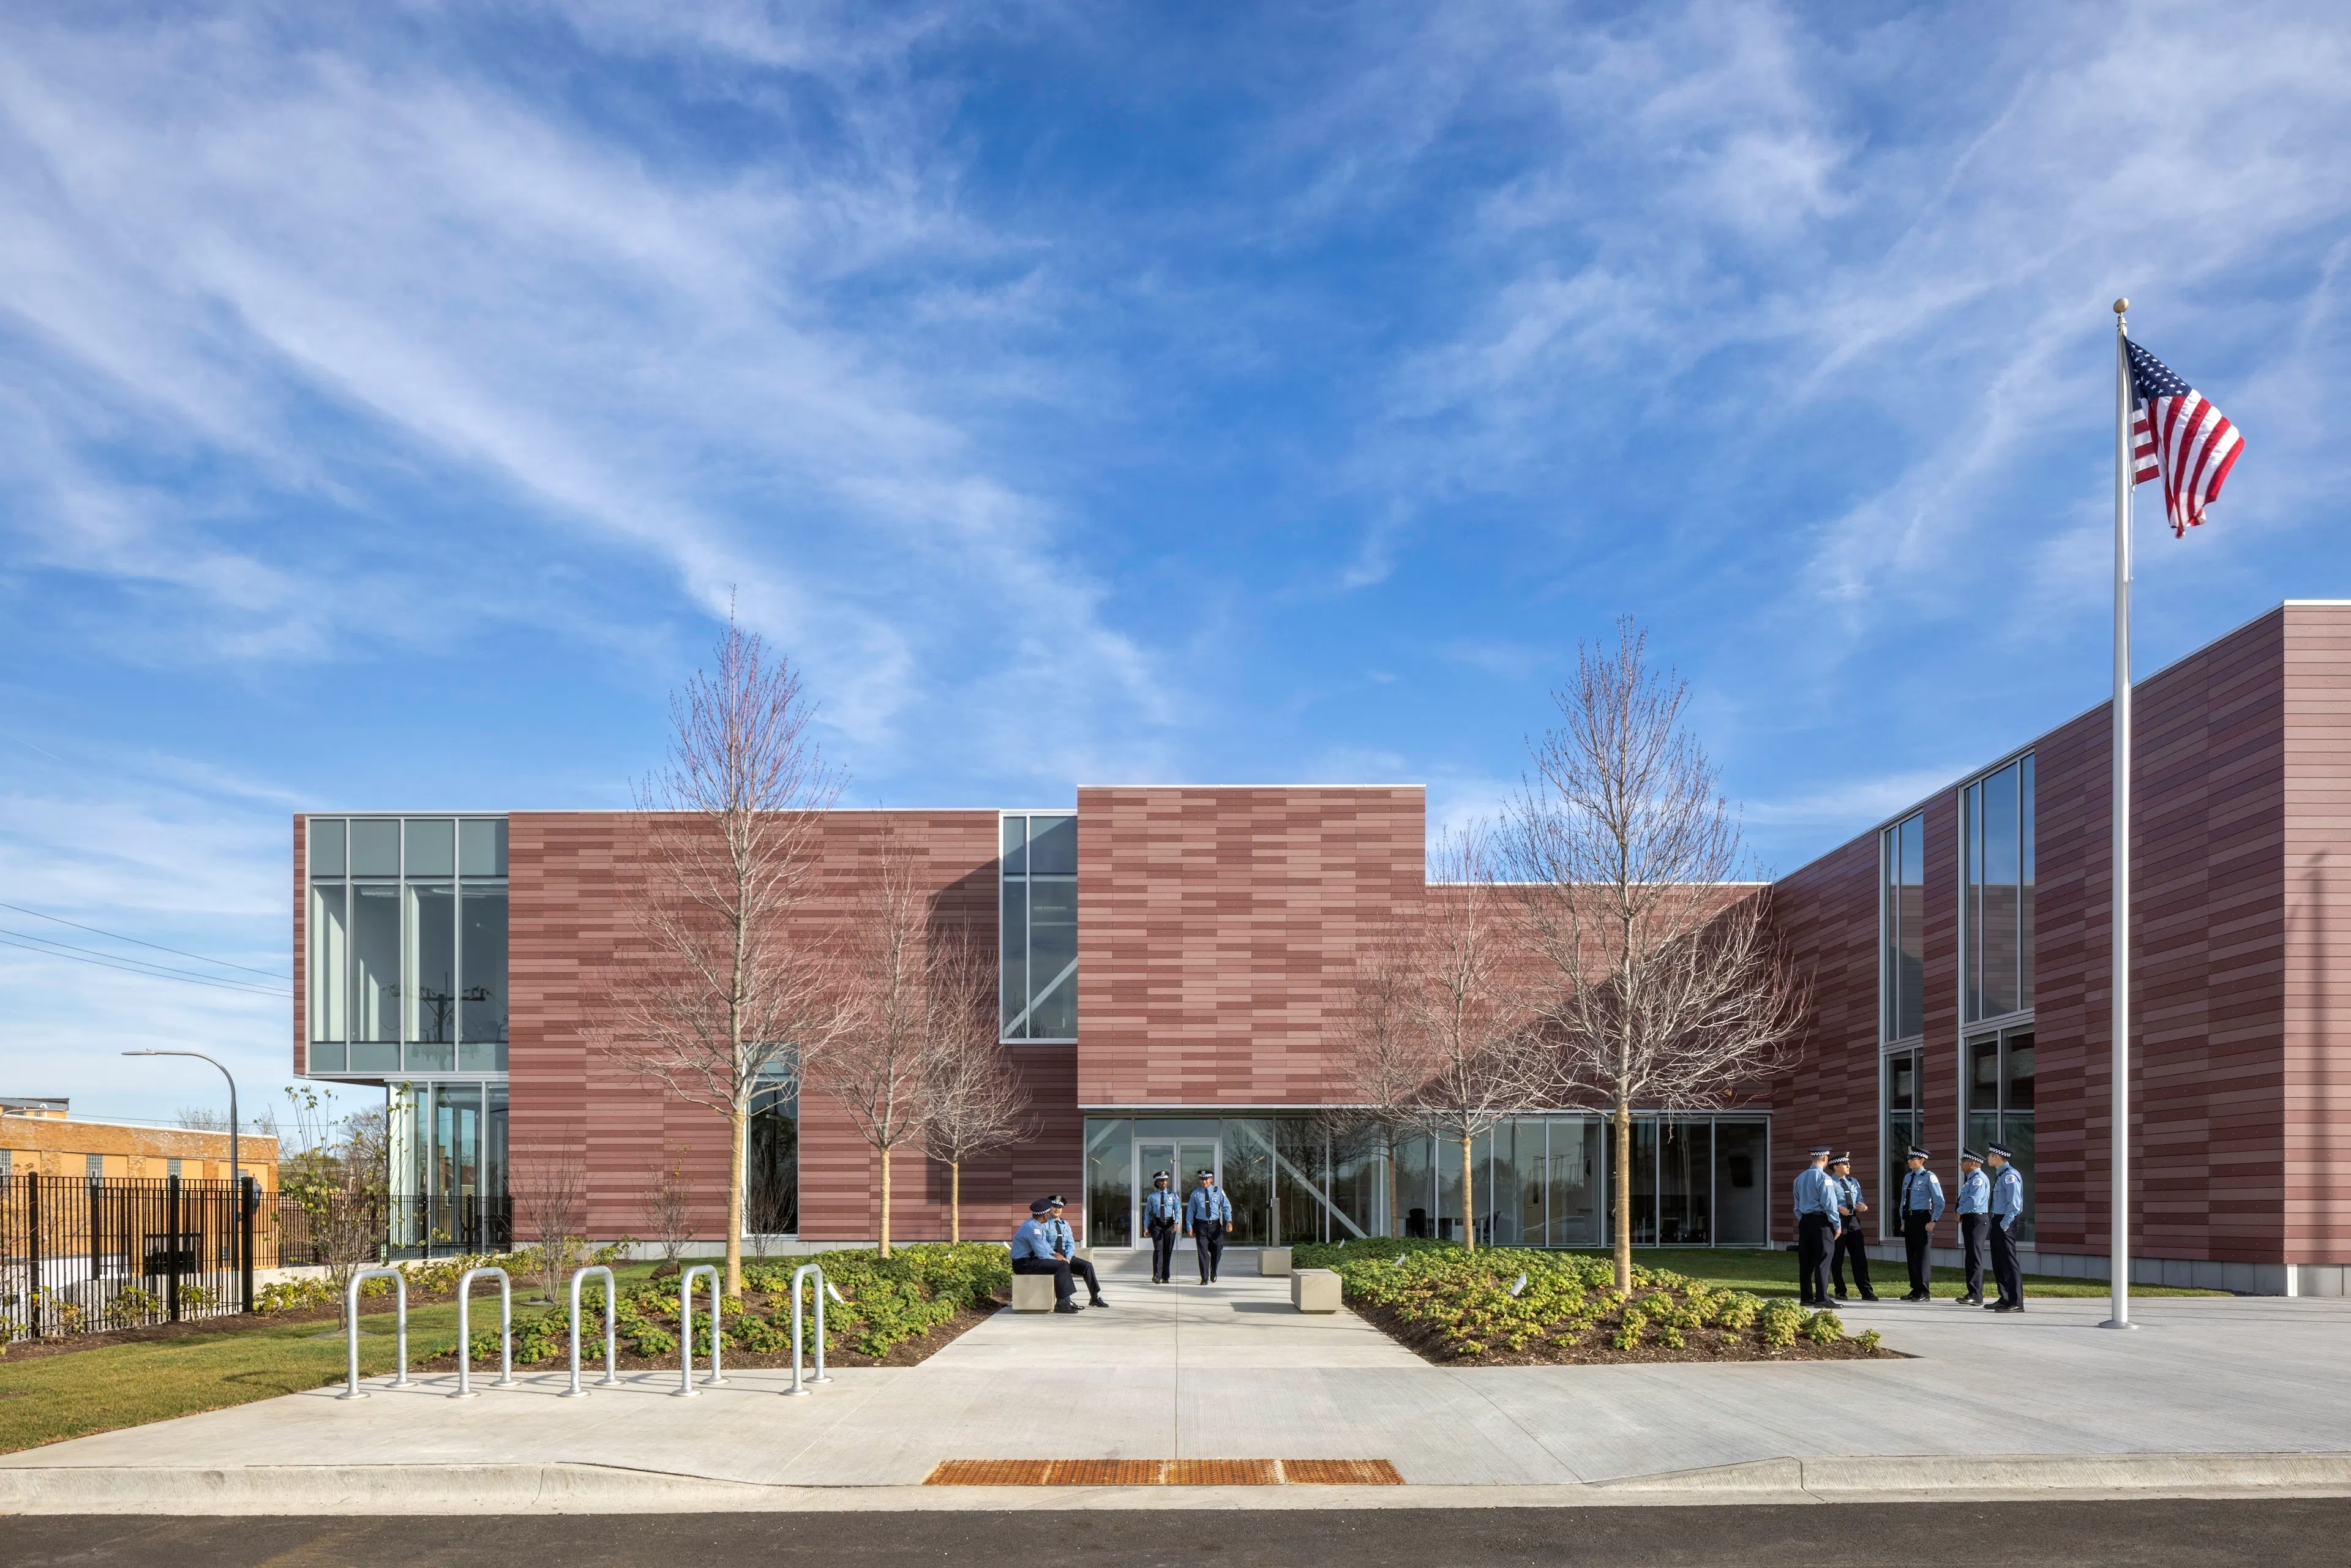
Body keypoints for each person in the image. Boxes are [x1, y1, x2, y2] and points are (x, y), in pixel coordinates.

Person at [1012, 1198, 1082, 1313]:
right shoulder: (1034, 1228)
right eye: (1048, 1213)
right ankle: (1062, 1304)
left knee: (1063, 1264)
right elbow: (1041, 1253)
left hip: (1028, 1261)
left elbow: (1044, 1244)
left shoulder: (1034, 1224)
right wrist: (1056, 1259)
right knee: (1062, 1266)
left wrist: (1055, 1254)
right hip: (1024, 1264)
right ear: (1045, 1215)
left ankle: (1066, 1301)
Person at [1792, 1146, 1840, 1306]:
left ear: (1812, 1159)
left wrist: (1804, 1219)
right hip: (1821, 1222)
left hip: (1805, 1221)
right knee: (1823, 1259)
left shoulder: (1800, 1178)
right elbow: (1829, 1204)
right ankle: (1822, 1298)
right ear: (1825, 1159)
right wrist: (1836, 1224)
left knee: (1806, 1261)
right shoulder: (1825, 1178)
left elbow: (1797, 1206)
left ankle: (1806, 1297)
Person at [1897, 1147, 1944, 1302]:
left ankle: (1924, 1291)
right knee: (1911, 1255)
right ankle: (1915, 1288)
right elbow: (1904, 1201)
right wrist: (1903, 1221)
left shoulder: (1929, 1177)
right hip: (1910, 1219)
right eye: (1908, 1159)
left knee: (1923, 1256)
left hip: (1923, 1218)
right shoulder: (1908, 1177)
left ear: (1922, 1161)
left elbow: (1940, 1202)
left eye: (1912, 1159)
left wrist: (1933, 1221)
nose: (1909, 1161)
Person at [1044, 1195, 1108, 1308]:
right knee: (1064, 1268)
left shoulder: (1065, 1224)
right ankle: (1067, 1301)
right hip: (1052, 1257)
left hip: (1065, 1256)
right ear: (1049, 1208)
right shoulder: (1043, 1224)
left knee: (1087, 1266)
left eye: (1060, 1207)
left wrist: (1068, 1258)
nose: (1057, 1209)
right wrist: (1057, 1257)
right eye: (1054, 1206)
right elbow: (1043, 1244)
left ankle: (1095, 1297)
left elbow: (1070, 1243)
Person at [1829, 1153, 1876, 1302]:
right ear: (1836, 1166)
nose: (1849, 1166)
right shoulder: (1829, 1182)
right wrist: (1838, 1208)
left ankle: (1866, 1292)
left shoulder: (1853, 1181)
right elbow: (1825, 1201)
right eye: (1845, 1164)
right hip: (1838, 1221)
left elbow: (1860, 1199)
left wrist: (1864, 1207)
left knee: (1860, 1258)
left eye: (1849, 1164)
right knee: (1837, 1258)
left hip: (1854, 1220)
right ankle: (1840, 1291)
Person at [1985, 1144, 2026, 1313]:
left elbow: (2014, 1204)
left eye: (1990, 1155)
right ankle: (2005, 1297)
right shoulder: (2000, 1174)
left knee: (2009, 1262)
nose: (1987, 1157)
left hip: (2005, 1222)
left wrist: (2004, 1224)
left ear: (1997, 1157)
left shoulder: (2010, 1176)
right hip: (1998, 1220)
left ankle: (2015, 1302)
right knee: (1999, 1262)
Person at [1954, 1152, 1990, 1307]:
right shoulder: (1971, 1179)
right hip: (1971, 1218)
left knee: (1974, 1257)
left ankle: (1976, 1295)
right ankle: (1972, 1292)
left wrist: (1960, 1211)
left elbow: (1974, 1201)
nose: (1961, 1163)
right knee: (1971, 1256)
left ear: (1973, 1164)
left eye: (1964, 1161)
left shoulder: (1978, 1179)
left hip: (1976, 1219)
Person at [1185, 1168, 1232, 1284]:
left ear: (1211, 1179)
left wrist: (1229, 1221)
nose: (1204, 1182)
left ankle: (1214, 1270)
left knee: (1218, 1249)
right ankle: (1204, 1278)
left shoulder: (1218, 1191)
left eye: (1206, 1179)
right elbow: (1190, 1210)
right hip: (1201, 1225)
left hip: (1215, 1226)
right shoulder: (1196, 1194)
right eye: (1202, 1179)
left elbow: (1226, 1207)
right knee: (1202, 1251)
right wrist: (1189, 1226)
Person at [1143, 1169, 1182, 1284]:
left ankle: (1166, 1276)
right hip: (1157, 1225)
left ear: (1167, 1182)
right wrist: (1146, 1227)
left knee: (1167, 1250)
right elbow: (1147, 1213)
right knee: (1158, 1250)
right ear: (1157, 1182)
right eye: (1161, 1181)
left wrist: (1176, 1223)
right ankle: (1157, 1275)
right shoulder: (1152, 1197)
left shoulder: (1173, 1195)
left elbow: (1178, 1210)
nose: (1163, 1183)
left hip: (1169, 1224)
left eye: (1165, 1180)